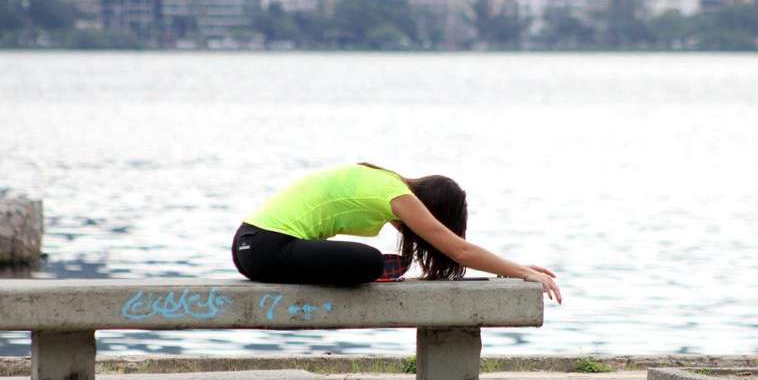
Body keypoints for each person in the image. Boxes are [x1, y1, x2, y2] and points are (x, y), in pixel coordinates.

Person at [231, 162, 561, 303]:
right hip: (266, 249)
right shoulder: (399, 196)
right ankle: (384, 270)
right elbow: (459, 251)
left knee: (366, 261)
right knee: (368, 261)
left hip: (249, 247)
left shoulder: (382, 180)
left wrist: (515, 269)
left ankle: (386, 269)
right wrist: (521, 271)